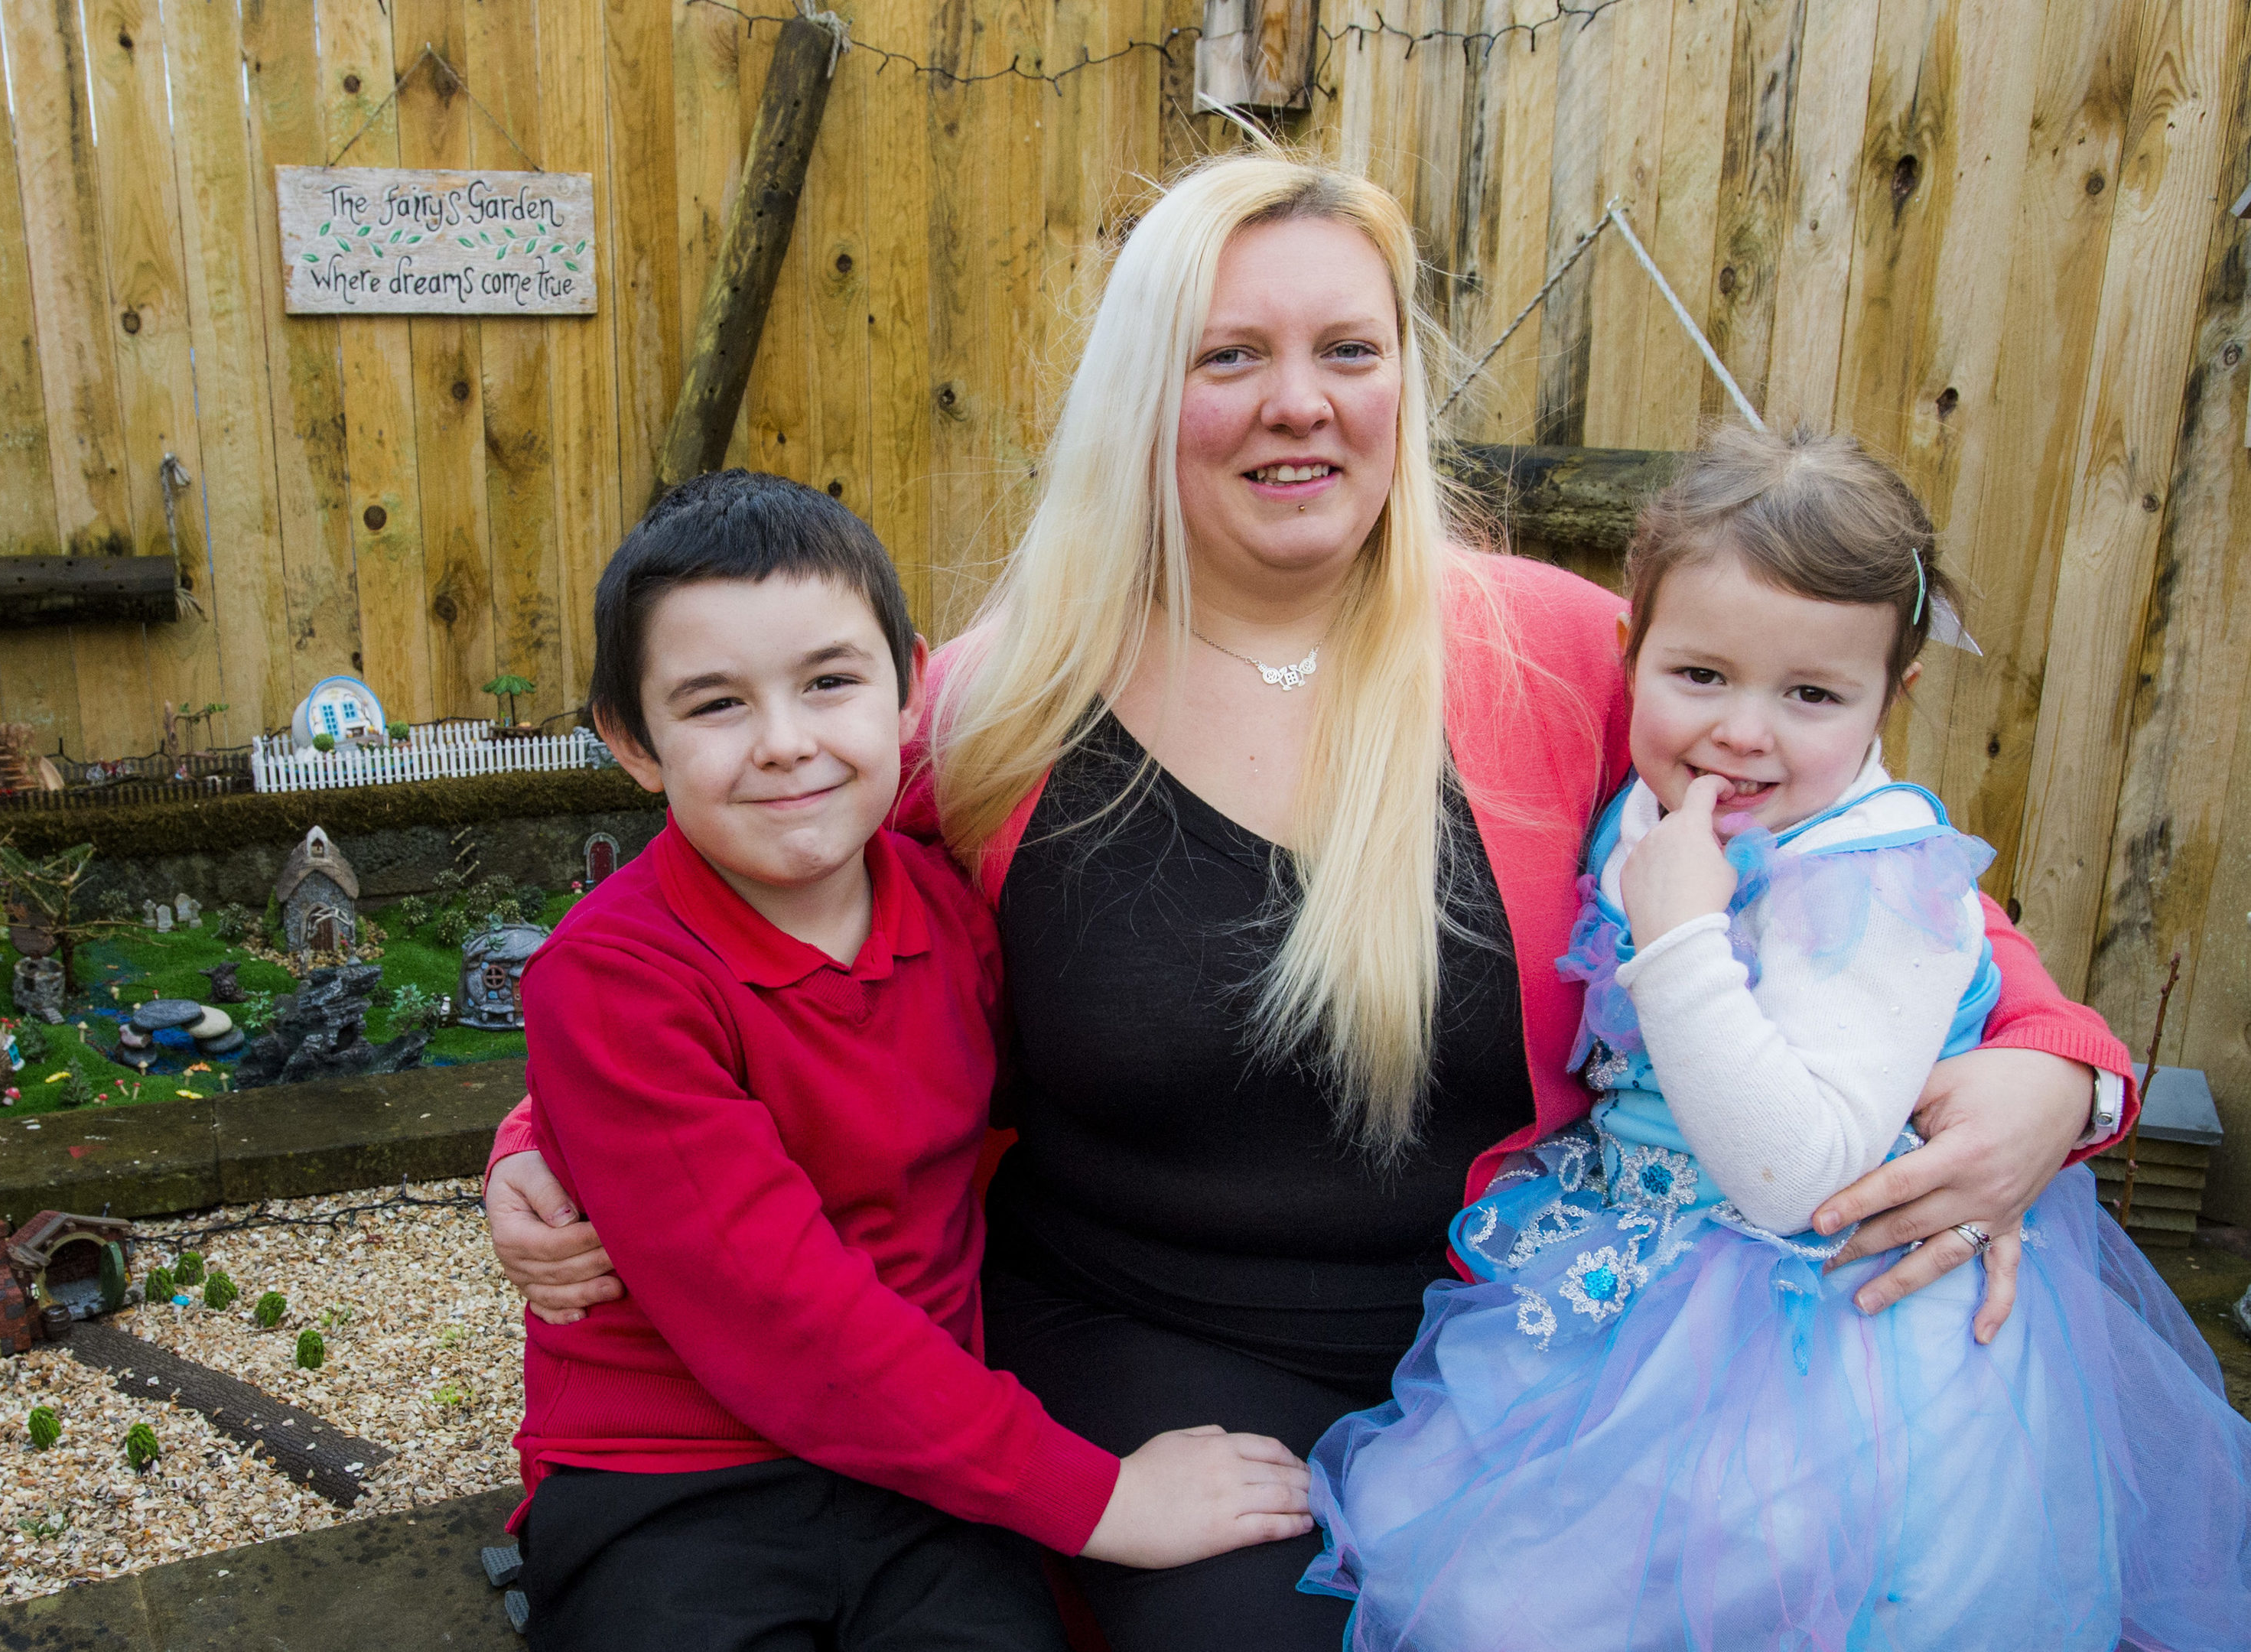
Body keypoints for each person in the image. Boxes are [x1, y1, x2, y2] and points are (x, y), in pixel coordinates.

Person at [486, 153, 2132, 1650]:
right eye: (1231, 359)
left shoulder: (1556, 653)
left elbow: (1835, 863)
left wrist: (2059, 1066)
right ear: (1149, 394)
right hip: (1152, 1336)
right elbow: (736, 911)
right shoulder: (999, 708)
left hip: (1552, 1324)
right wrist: (536, 1141)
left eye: (1348, 352)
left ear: (1403, 387)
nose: (1302, 406)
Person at [1294, 425, 2251, 1650]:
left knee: (1789, 1597)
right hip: (1633, 1276)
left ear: (1886, 702)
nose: (1742, 733)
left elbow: (1797, 1175)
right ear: (1628, 657)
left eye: (1809, 695)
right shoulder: (1653, 802)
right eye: (1700, 676)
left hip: (1827, 1332)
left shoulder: (1873, 883)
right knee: (1518, 1594)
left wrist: (1681, 935)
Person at [507, 470, 1309, 1651]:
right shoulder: (616, 979)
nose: (786, 745)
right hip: (671, 1475)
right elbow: (785, 1317)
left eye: (829, 682)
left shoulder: (950, 902)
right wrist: (1101, 1499)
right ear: (633, 742)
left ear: (908, 689)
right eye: (715, 705)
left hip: (927, 1463)